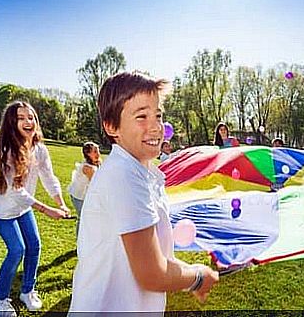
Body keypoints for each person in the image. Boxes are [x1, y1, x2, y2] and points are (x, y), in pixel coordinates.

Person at [68, 72, 219, 314]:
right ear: (111, 126)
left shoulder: (141, 173)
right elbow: (152, 274)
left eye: (158, 115)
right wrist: (198, 276)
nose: (155, 126)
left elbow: (158, 259)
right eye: (141, 116)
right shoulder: (122, 175)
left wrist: (189, 272)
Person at [0, 101, 70, 317]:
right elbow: (15, 191)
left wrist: (60, 202)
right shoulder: (7, 150)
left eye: (31, 117)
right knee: (17, 249)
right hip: (0, 208)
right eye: (21, 118)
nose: (28, 122)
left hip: (21, 207)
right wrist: (47, 209)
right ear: (12, 123)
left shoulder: (39, 149)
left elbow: (48, 176)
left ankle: (27, 290)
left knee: (34, 245)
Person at [67, 141, 101, 236]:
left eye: (98, 151)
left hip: (85, 195)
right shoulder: (88, 168)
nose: (98, 153)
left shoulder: (96, 163)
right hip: (79, 196)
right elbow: (96, 184)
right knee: (83, 218)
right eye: (95, 151)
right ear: (88, 154)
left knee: (89, 218)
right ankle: (80, 243)